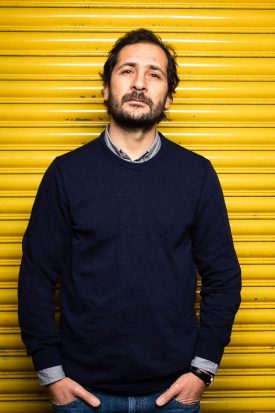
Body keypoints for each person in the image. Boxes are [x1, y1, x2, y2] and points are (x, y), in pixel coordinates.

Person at [18, 29, 241, 413]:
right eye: (127, 71)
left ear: (168, 96)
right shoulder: (66, 173)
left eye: (154, 74)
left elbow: (223, 275)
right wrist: (51, 375)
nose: (139, 83)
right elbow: (36, 275)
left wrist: (201, 372)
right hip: (82, 397)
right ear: (106, 88)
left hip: (172, 396)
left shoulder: (197, 174)